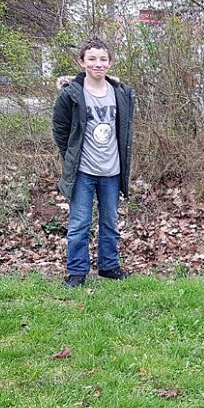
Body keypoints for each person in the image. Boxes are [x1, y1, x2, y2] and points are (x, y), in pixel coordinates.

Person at [52, 37, 135, 287]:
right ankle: (76, 271)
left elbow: (124, 131)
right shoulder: (71, 95)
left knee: (110, 222)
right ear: (82, 62)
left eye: (102, 59)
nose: (97, 64)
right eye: (91, 59)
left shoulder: (121, 93)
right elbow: (60, 128)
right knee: (80, 222)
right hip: (83, 171)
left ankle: (109, 267)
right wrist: (71, 156)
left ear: (110, 63)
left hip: (112, 171)